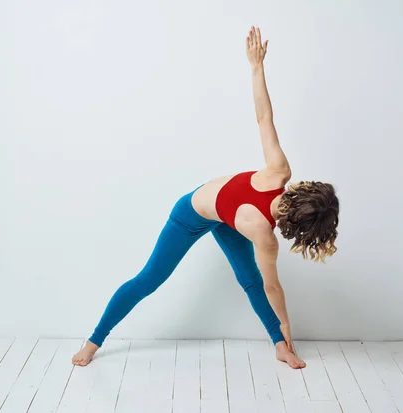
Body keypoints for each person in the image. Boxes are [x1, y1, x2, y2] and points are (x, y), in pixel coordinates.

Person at [72, 26, 339, 369]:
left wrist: (285, 335)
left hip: (229, 221)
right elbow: (263, 117)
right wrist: (256, 68)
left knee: (251, 282)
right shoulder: (266, 223)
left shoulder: (277, 179)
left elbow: (268, 288)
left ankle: (280, 347)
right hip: (190, 214)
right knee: (149, 279)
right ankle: (95, 340)